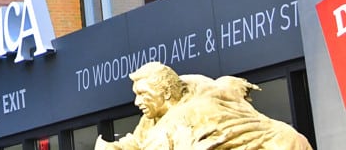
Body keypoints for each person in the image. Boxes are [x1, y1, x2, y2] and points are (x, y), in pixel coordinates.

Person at [95, 61, 313, 149]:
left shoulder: (178, 121)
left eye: (143, 94)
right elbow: (138, 141)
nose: (137, 102)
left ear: (166, 92)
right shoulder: (188, 85)